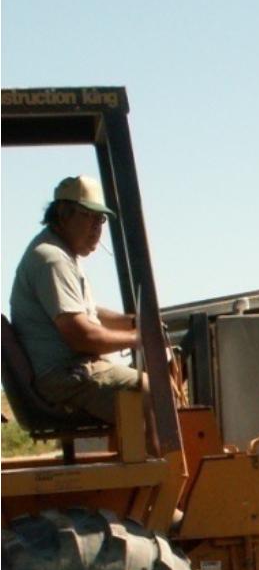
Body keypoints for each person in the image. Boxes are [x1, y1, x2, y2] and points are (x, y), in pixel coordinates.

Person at [9, 175, 143, 425]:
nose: (97, 227)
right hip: (67, 378)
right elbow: (81, 336)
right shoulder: (52, 259)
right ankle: (170, 463)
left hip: (71, 372)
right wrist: (140, 340)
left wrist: (133, 322)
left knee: (155, 384)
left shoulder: (59, 253)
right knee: (155, 391)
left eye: (100, 219)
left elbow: (86, 312)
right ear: (63, 213)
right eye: (88, 216)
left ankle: (158, 459)